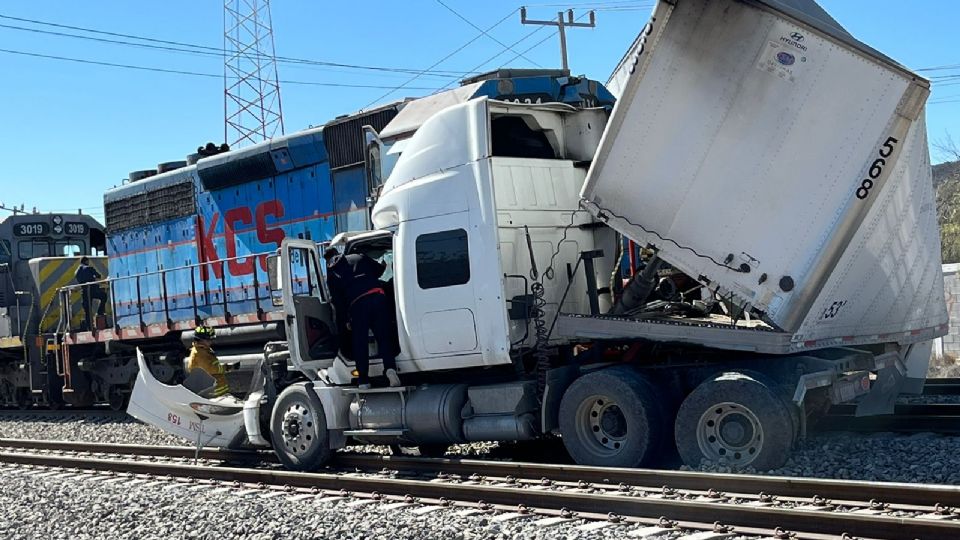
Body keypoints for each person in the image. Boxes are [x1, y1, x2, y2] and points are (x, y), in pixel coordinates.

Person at [324, 247, 401, 389]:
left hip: (358, 305)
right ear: (339, 252)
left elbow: (338, 301)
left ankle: (364, 380)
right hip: (378, 297)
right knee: (383, 337)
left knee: (360, 342)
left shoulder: (332, 272)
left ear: (327, 259)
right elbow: (379, 271)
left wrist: (346, 319)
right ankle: (390, 369)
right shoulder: (358, 256)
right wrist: (383, 265)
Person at [186, 326, 229, 398]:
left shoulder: (204, 350)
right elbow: (211, 369)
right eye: (209, 339)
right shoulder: (199, 354)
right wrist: (226, 367)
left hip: (217, 391)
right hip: (213, 393)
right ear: (201, 340)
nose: (211, 342)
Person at [75, 256, 107, 331]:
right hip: (93, 290)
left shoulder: (77, 271)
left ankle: (90, 327)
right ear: (86, 261)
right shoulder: (89, 268)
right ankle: (99, 312)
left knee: (87, 311)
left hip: (84, 292)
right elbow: (98, 276)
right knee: (104, 296)